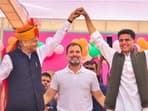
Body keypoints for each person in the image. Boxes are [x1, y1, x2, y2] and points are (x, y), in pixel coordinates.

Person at [0, 8, 82, 111]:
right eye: (34, 41)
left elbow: (55, 41)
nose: (37, 43)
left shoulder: (39, 53)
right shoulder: (10, 58)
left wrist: (69, 21)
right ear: (24, 42)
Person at [81, 8, 148, 111]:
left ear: (133, 41)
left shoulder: (144, 56)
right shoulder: (113, 56)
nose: (123, 43)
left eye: (127, 40)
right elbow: (97, 39)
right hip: (118, 107)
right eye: (121, 40)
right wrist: (86, 17)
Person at [44, 42, 105, 111]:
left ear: (81, 55)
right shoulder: (58, 75)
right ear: (66, 55)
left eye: (77, 52)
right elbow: (48, 95)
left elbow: (99, 96)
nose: (74, 54)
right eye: (71, 52)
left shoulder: (91, 75)